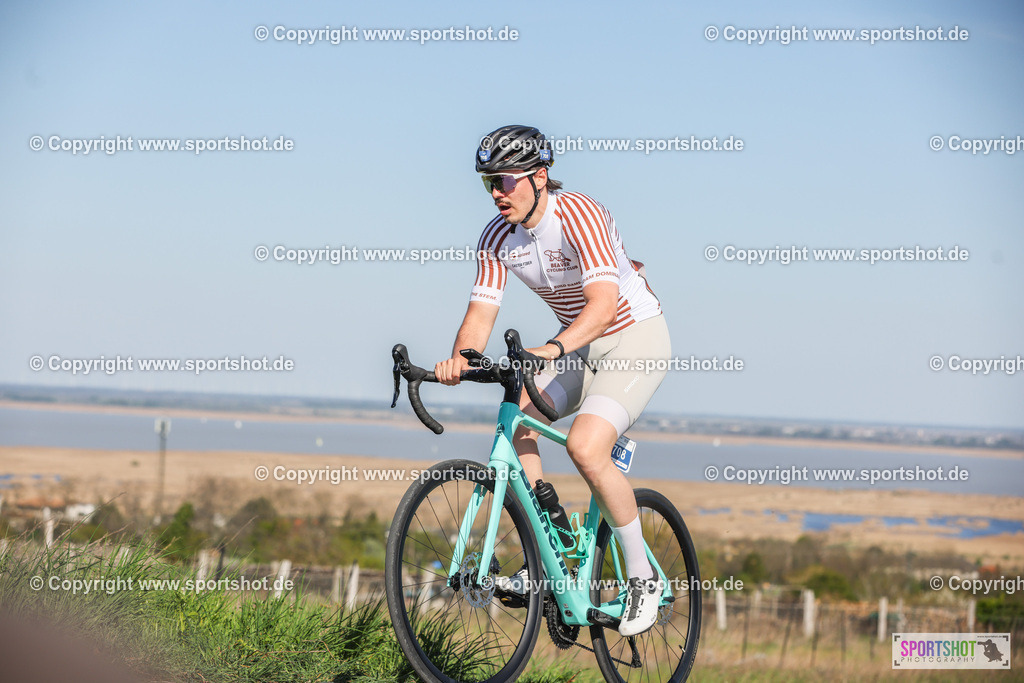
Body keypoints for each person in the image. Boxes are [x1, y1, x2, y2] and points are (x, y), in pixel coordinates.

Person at [434, 124, 672, 637]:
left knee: (586, 448)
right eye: (487, 184)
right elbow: (480, 315)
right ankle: (555, 540)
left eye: (505, 180)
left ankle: (642, 577)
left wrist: (555, 347)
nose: (497, 193)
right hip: (577, 344)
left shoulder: (581, 215)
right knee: (517, 419)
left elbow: (605, 307)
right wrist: (458, 360)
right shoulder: (496, 237)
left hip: (633, 338)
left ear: (540, 176)